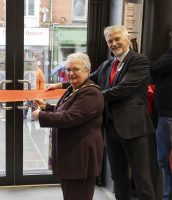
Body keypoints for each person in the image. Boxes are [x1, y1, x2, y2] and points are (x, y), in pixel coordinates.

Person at [46, 25, 157, 200]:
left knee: (142, 180)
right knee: (118, 178)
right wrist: (60, 85)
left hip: (135, 129)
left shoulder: (139, 61)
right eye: (110, 41)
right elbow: (87, 80)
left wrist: (89, 99)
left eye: (117, 39)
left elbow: (123, 89)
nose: (114, 43)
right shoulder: (107, 65)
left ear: (127, 38)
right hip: (111, 128)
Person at [32, 52, 104, 200]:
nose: (71, 73)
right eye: (68, 69)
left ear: (87, 71)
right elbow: (65, 111)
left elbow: (70, 118)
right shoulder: (74, 89)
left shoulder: (91, 93)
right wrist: (47, 107)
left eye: (75, 69)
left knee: (78, 195)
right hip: (72, 155)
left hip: (80, 158)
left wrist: (41, 115)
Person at [150, 48, 172, 200]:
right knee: (165, 162)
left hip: (168, 117)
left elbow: (155, 67)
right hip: (165, 116)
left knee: (166, 162)